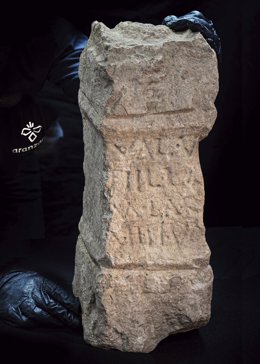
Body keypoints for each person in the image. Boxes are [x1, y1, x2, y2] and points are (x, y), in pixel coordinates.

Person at [0, 11, 220, 329]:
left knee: (33, 240)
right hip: (18, 140)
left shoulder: (41, 39)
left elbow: (115, 85)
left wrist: (172, 63)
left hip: (23, 137)